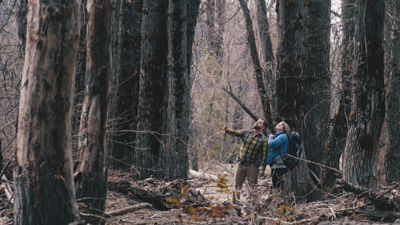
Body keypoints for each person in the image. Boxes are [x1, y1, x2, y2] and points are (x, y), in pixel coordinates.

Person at [223, 119, 268, 202]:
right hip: (241, 164)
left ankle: (253, 207)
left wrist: (262, 169)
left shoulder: (263, 139)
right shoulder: (247, 133)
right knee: (237, 186)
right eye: (257, 121)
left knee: (253, 188)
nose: (257, 123)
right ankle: (235, 205)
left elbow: (265, 155)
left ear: (263, 127)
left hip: (253, 166)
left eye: (260, 123)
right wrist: (228, 130)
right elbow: (236, 132)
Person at [267, 121, 290, 190]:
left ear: (284, 128)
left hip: (279, 165)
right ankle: (279, 198)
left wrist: (270, 137)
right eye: (278, 124)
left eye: (280, 125)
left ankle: (280, 199)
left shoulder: (282, 136)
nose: (278, 125)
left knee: (277, 185)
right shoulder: (279, 136)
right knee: (277, 184)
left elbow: (273, 144)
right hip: (277, 164)